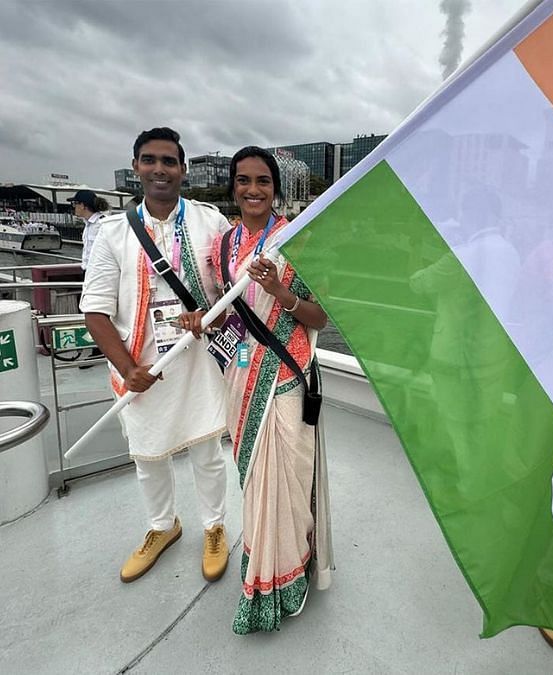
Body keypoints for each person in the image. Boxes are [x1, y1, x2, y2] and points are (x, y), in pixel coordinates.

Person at [180, 146, 333, 634]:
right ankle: (262, 569)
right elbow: (228, 315)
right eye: (243, 180)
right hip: (242, 374)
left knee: (286, 480)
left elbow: (320, 317)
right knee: (256, 482)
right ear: (233, 186)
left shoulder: (295, 241)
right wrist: (201, 320)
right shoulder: (224, 246)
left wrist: (282, 292)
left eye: (262, 181)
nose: (252, 189)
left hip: (286, 375)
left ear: (275, 188)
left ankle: (288, 575)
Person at [80, 127, 229, 584]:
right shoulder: (111, 232)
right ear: (136, 167)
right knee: (147, 455)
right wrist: (128, 369)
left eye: (168, 161)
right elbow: (96, 310)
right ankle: (162, 527)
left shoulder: (211, 222)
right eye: (149, 160)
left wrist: (212, 315)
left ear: (183, 169)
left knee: (208, 451)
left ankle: (214, 526)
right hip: (140, 364)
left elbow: (230, 296)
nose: (159, 169)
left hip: (198, 358)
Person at [69, 189, 110, 270]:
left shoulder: (103, 223)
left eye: (75, 204)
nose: (74, 207)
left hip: (99, 272)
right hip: (88, 270)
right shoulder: (88, 224)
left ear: (82, 205)